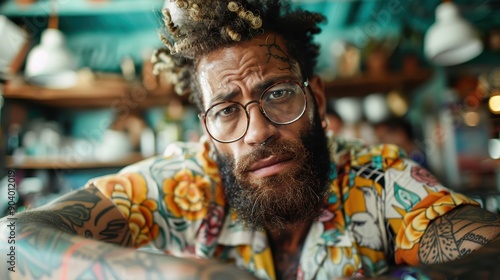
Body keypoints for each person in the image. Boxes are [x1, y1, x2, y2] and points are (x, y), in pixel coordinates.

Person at [2, 1, 500, 279]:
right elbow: (10, 239)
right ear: (206, 131)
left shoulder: (381, 181)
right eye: (225, 110)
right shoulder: (178, 184)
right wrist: (185, 277)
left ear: (319, 101)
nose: (258, 129)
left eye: (279, 94)